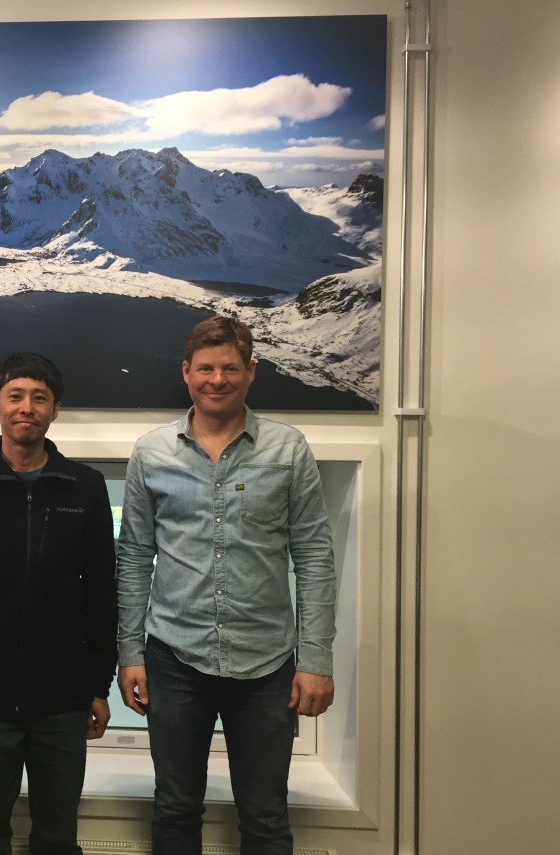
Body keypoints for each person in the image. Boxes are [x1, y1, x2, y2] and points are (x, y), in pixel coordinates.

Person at [116, 316, 337, 855]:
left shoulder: (288, 450)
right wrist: (129, 653)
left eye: (231, 368)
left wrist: (315, 659)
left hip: (267, 664)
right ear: (186, 373)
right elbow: (134, 557)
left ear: (251, 372)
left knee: (265, 815)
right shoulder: (151, 452)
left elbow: (313, 556)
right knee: (175, 808)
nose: (218, 379)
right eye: (206, 368)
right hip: (174, 658)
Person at [0, 352, 118, 855]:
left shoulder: (86, 487)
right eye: (15, 396)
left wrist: (100, 686)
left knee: (57, 837)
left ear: (55, 410)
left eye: (39, 398)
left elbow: (102, 593)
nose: (26, 407)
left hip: (63, 698)